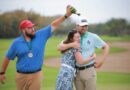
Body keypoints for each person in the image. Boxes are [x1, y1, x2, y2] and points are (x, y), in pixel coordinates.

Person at [0, 5, 75, 90]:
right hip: (21, 76)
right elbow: (7, 57)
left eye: (33, 27)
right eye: (29, 28)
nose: (33, 29)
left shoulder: (40, 35)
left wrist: (66, 16)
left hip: (36, 75)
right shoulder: (16, 43)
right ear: (23, 30)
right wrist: (2, 72)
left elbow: (54, 25)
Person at [58, 16, 109, 90]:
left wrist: (101, 62)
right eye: (82, 26)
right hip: (76, 72)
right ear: (77, 26)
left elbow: (106, 47)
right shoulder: (73, 36)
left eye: (86, 26)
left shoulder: (93, 37)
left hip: (89, 70)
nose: (84, 27)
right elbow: (60, 47)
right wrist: (72, 44)